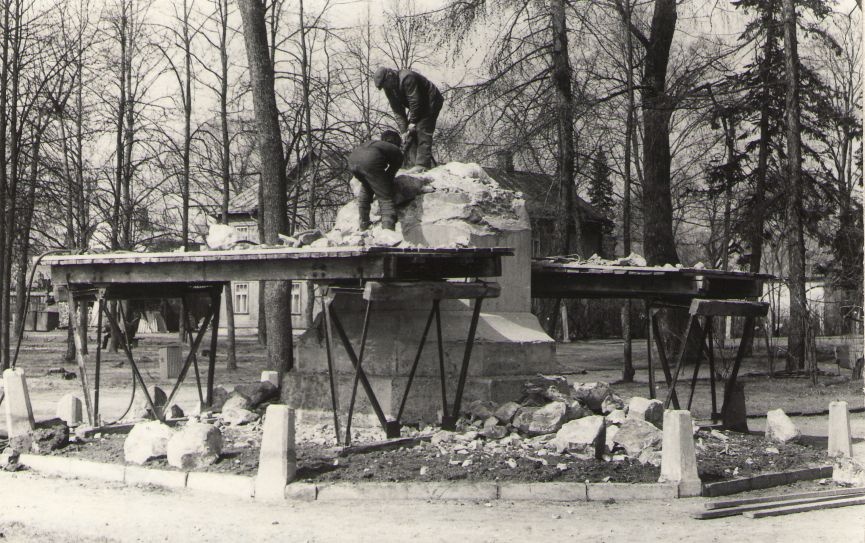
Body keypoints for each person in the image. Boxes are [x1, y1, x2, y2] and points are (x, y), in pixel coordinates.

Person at [373, 67, 443, 172]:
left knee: (422, 129)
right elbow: (397, 111)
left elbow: (414, 101)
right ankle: (414, 164)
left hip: (430, 101)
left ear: (390, 76)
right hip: (418, 106)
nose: (386, 87)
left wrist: (413, 122)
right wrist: (404, 131)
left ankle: (422, 165)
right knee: (410, 135)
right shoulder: (389, 89)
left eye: (385, 84)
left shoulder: (407, 77)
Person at [347, 130, 404, 231]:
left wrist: (376, 183)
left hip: (352, 160)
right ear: (396, 141)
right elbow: (389, 176)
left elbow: (374, 179)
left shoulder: (376, 144)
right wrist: (384, 188)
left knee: (367, 187)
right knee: (385, 198)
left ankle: (364, 224)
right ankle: (388, 231)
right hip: (370, 161)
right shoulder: (395, 150)